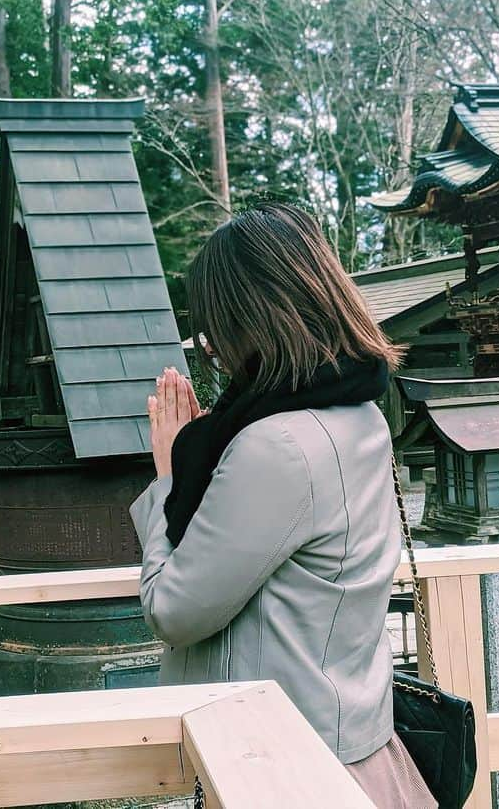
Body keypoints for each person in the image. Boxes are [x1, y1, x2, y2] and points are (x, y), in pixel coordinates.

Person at [130, 203, 435, 808]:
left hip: (285, 763)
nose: (210, 346)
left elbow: (173, 609)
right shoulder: (359, 412)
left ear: (245, 320)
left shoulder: (277, 445)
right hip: (348, 736)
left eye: (213, 326)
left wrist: (169, 470)